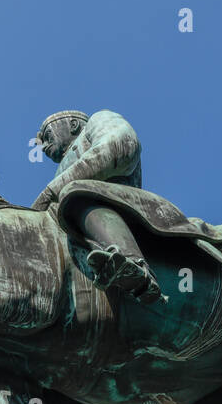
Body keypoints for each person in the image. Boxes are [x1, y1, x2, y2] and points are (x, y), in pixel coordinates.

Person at [32, 109, 163, 304]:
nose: (42, 146)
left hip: (116, 204)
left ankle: (134, 264)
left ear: (73, 125)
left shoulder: (98, 120)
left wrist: (52, 191)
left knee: (74, 193)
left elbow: (121, 146)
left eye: (47, 136)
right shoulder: (61, 173)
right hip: (75, 224)